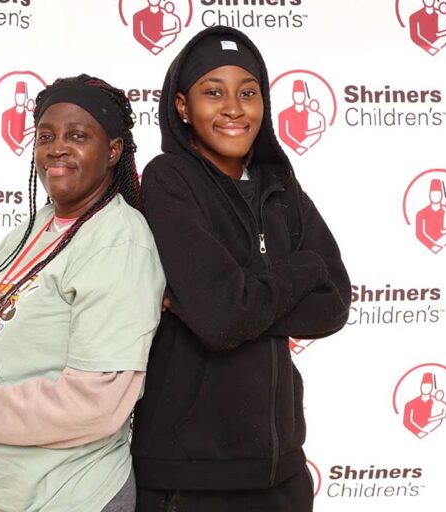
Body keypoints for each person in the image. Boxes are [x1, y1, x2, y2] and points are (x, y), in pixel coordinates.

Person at [131, 26, 351, 511]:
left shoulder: (279, 184)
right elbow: (222, 317)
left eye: (248, 92)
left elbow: (334, 304)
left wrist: (233, 302)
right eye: (214, 92)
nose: (234, 108)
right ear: (183, 107)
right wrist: (303, 269)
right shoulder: (169, 180)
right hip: (189, 476)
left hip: (283, 472)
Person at [0, 74, 165, 512]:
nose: (56, 148)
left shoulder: (118, 243)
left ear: (113, 151)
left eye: (77, 136)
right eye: (46, 136)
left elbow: (96, 402)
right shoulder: (33, 228)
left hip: (61, 495)